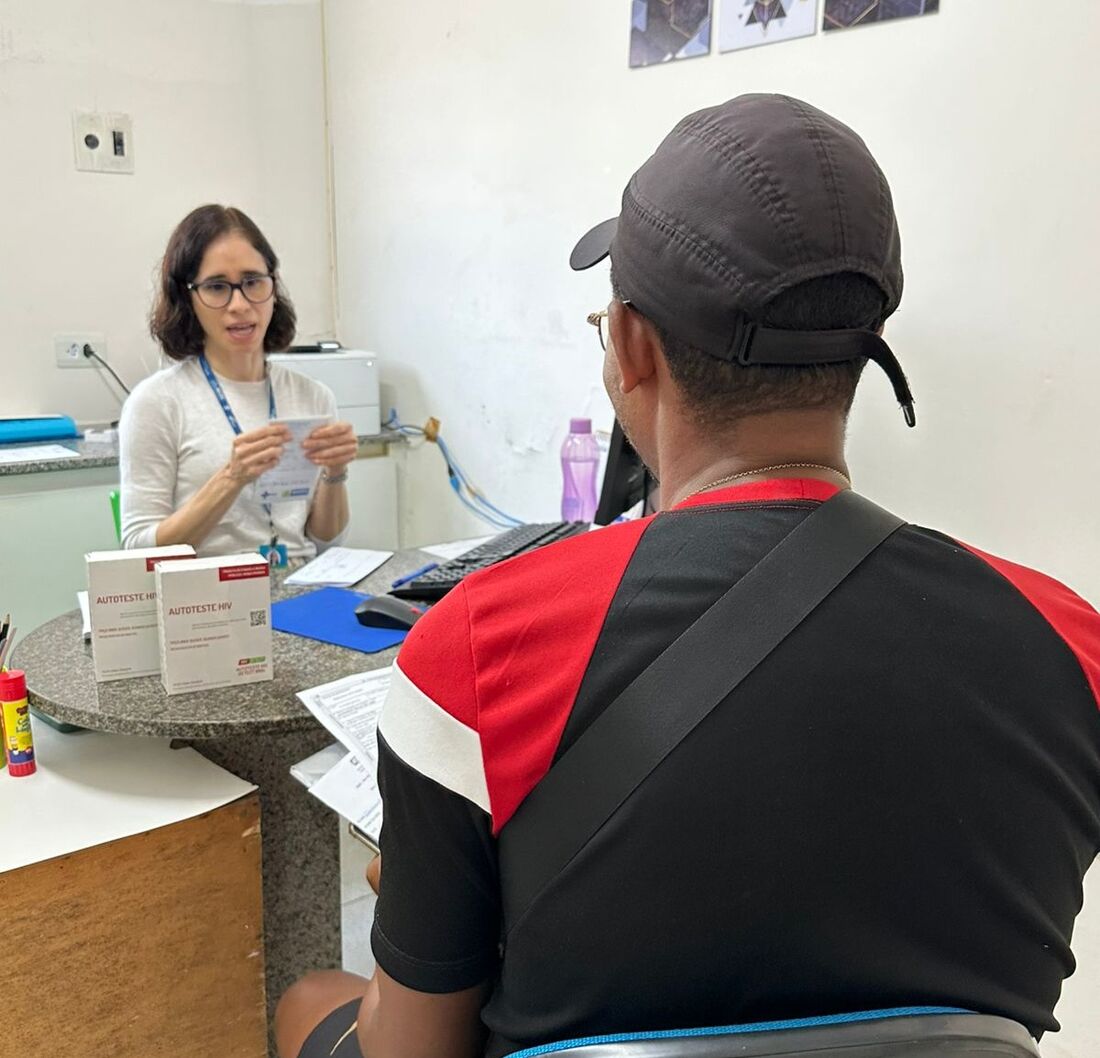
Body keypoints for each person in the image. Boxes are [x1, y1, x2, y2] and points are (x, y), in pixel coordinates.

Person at [274, 95, 1100, 1058]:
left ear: (629, 345)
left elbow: (414, 1050)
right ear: (861, 351)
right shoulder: (1069, 646)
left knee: (309, 1000)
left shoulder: (474, 645)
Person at [119, 204, 357, 560]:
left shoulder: (313, 397)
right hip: (205, 603)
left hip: (299, 591)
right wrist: (231, 477)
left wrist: (335, 472)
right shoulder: (156, 402)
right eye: (217, 287)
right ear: (188, 299)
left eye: (252, 282)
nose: (240, 304)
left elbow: (324, 541)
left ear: (273, 287)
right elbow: (139, 549)